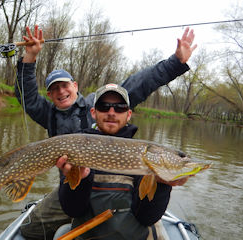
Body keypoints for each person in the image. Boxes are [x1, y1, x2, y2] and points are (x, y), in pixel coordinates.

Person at [15, 25, 196, 239]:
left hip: (119, 177)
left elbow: (141, 83)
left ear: (75, 86)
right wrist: (29, 57)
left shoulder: (98, 103)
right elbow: (26, 97)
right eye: (54, 89)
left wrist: (175, 63)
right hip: (74, 181)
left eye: (64, 86)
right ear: (50, 95)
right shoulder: (49, 114)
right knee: (31, 228)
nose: (61, 91)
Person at [56, 84, 190, 239]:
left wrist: (162, 185)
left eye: (120, 107)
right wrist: (82, 177)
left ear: (128, 114)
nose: (111, 112)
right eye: (104, 106)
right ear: (93, 112)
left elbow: (147, 218)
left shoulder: (142, 154)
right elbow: (73, 211)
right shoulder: (75, 148)